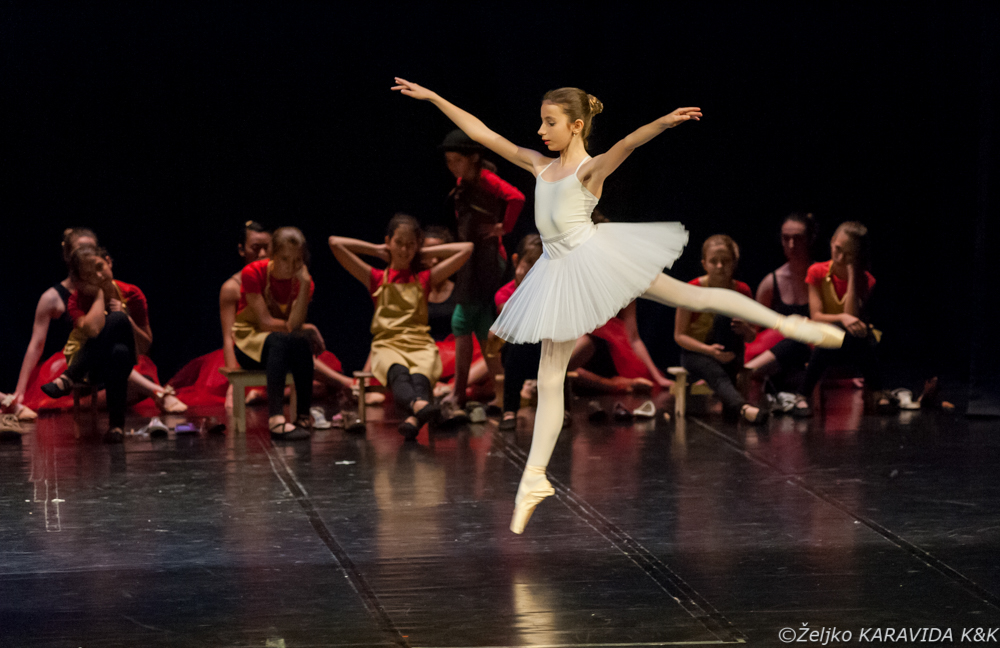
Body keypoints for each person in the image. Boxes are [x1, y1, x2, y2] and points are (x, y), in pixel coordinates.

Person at [393, 78, 844, 533]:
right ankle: (534, 478)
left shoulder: (588, 171)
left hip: (595, 257)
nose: (541, 130)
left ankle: (792, 325)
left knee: (693, 295)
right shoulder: (537, 164)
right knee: (549, 378)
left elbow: (627, 143)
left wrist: (664, 122)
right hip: (558, 271)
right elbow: (484, 134)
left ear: (575, 126)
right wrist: (435, 99)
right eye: (541, 120)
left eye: (550, 122)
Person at [329, 214, 473, 440]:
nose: (404, 250)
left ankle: (414, 417)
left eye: (410, 245)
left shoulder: (425, 278)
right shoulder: (376, 277)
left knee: (421, 376)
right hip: (388, 344)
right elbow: (335, 243)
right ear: (389, 241)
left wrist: (425, 253)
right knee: (399, 372)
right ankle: (419, 405)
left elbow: (467, 249)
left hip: (419, 344)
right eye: (399, 243)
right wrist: (377, 250)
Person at [439, 130, 525, 409]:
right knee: (478, 325)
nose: (451, 167)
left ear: (473, 157)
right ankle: (502, 394)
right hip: (471, 259)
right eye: (448, 161)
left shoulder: (486, 179)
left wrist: (503, 228)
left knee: (463, 320)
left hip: (485, 261)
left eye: (456, 160)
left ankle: (463, 393)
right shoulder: (465, 181)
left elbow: (517, 197)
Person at [40, 246, 146, 442]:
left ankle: (69, 377)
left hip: (126, 360)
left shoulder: (131, 293)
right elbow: (93, 330)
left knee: (120, 326)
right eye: (90, 275)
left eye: (100, 267)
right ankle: (116, 427)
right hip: (91, 367)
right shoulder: (76, 301)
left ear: (109, 261)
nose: (98, 276)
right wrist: (98, 295)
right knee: (118, 350)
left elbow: (146, 345)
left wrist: (127, 319)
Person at [231, 227, 318, 440]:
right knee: (281, 339)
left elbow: (295, 324)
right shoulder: (253, 273)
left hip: (282, 346)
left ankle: (303, 416)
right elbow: (266, 322)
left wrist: (305, 284)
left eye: (297, 260)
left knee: (300, 344)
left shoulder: (305, 282)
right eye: (284, 259)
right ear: (273, 255)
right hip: (249, 345)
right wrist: (308, 329)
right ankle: (276, 419)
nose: (291, 266)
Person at [5, 228, 98, 421]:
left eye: (92, 250)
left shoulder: (102, 290)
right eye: (81, 250)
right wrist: (19, 391)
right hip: (66, 365)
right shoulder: (51, 298)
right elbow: (36, 345)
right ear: (68, 256)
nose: (86, 256)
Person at [792, 221, 881, 416]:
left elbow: (853, 317)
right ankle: (880, 390)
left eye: (848, 254)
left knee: (859, 337)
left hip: (853, 343)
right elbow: (816, 316)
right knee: (832, 336)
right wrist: (842, 317)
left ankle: (802, 395)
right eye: (837, 249)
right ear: (832, 242)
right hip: (824, 338)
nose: (840, 258)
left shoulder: (866, 280)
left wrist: (851, 274)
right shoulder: (816, 271)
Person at [674, 235, 763, 423]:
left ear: (734, 263)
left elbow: (752, 337)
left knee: (724, 318)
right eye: (714, 261)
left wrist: (745, 329)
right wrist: (709, 351)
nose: (720, 266)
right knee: (714, 371)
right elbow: (680, 336)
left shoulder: (742, 290)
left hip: (729, 352)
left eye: (725, 261)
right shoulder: (691, 290)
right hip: (697, 352)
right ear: (704, 264)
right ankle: (742, 408)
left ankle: (735, 407)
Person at [744, 213, 817, 389]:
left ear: (809, 239)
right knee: (792, 342)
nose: (791, 245)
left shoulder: (821, 277)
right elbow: (754, 332)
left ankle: (740, 375)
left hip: (810, 354)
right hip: (776, 359)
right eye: (786, 239)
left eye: (797, 239)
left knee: (799, 341)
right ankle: (743, 374)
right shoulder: (771, 283)